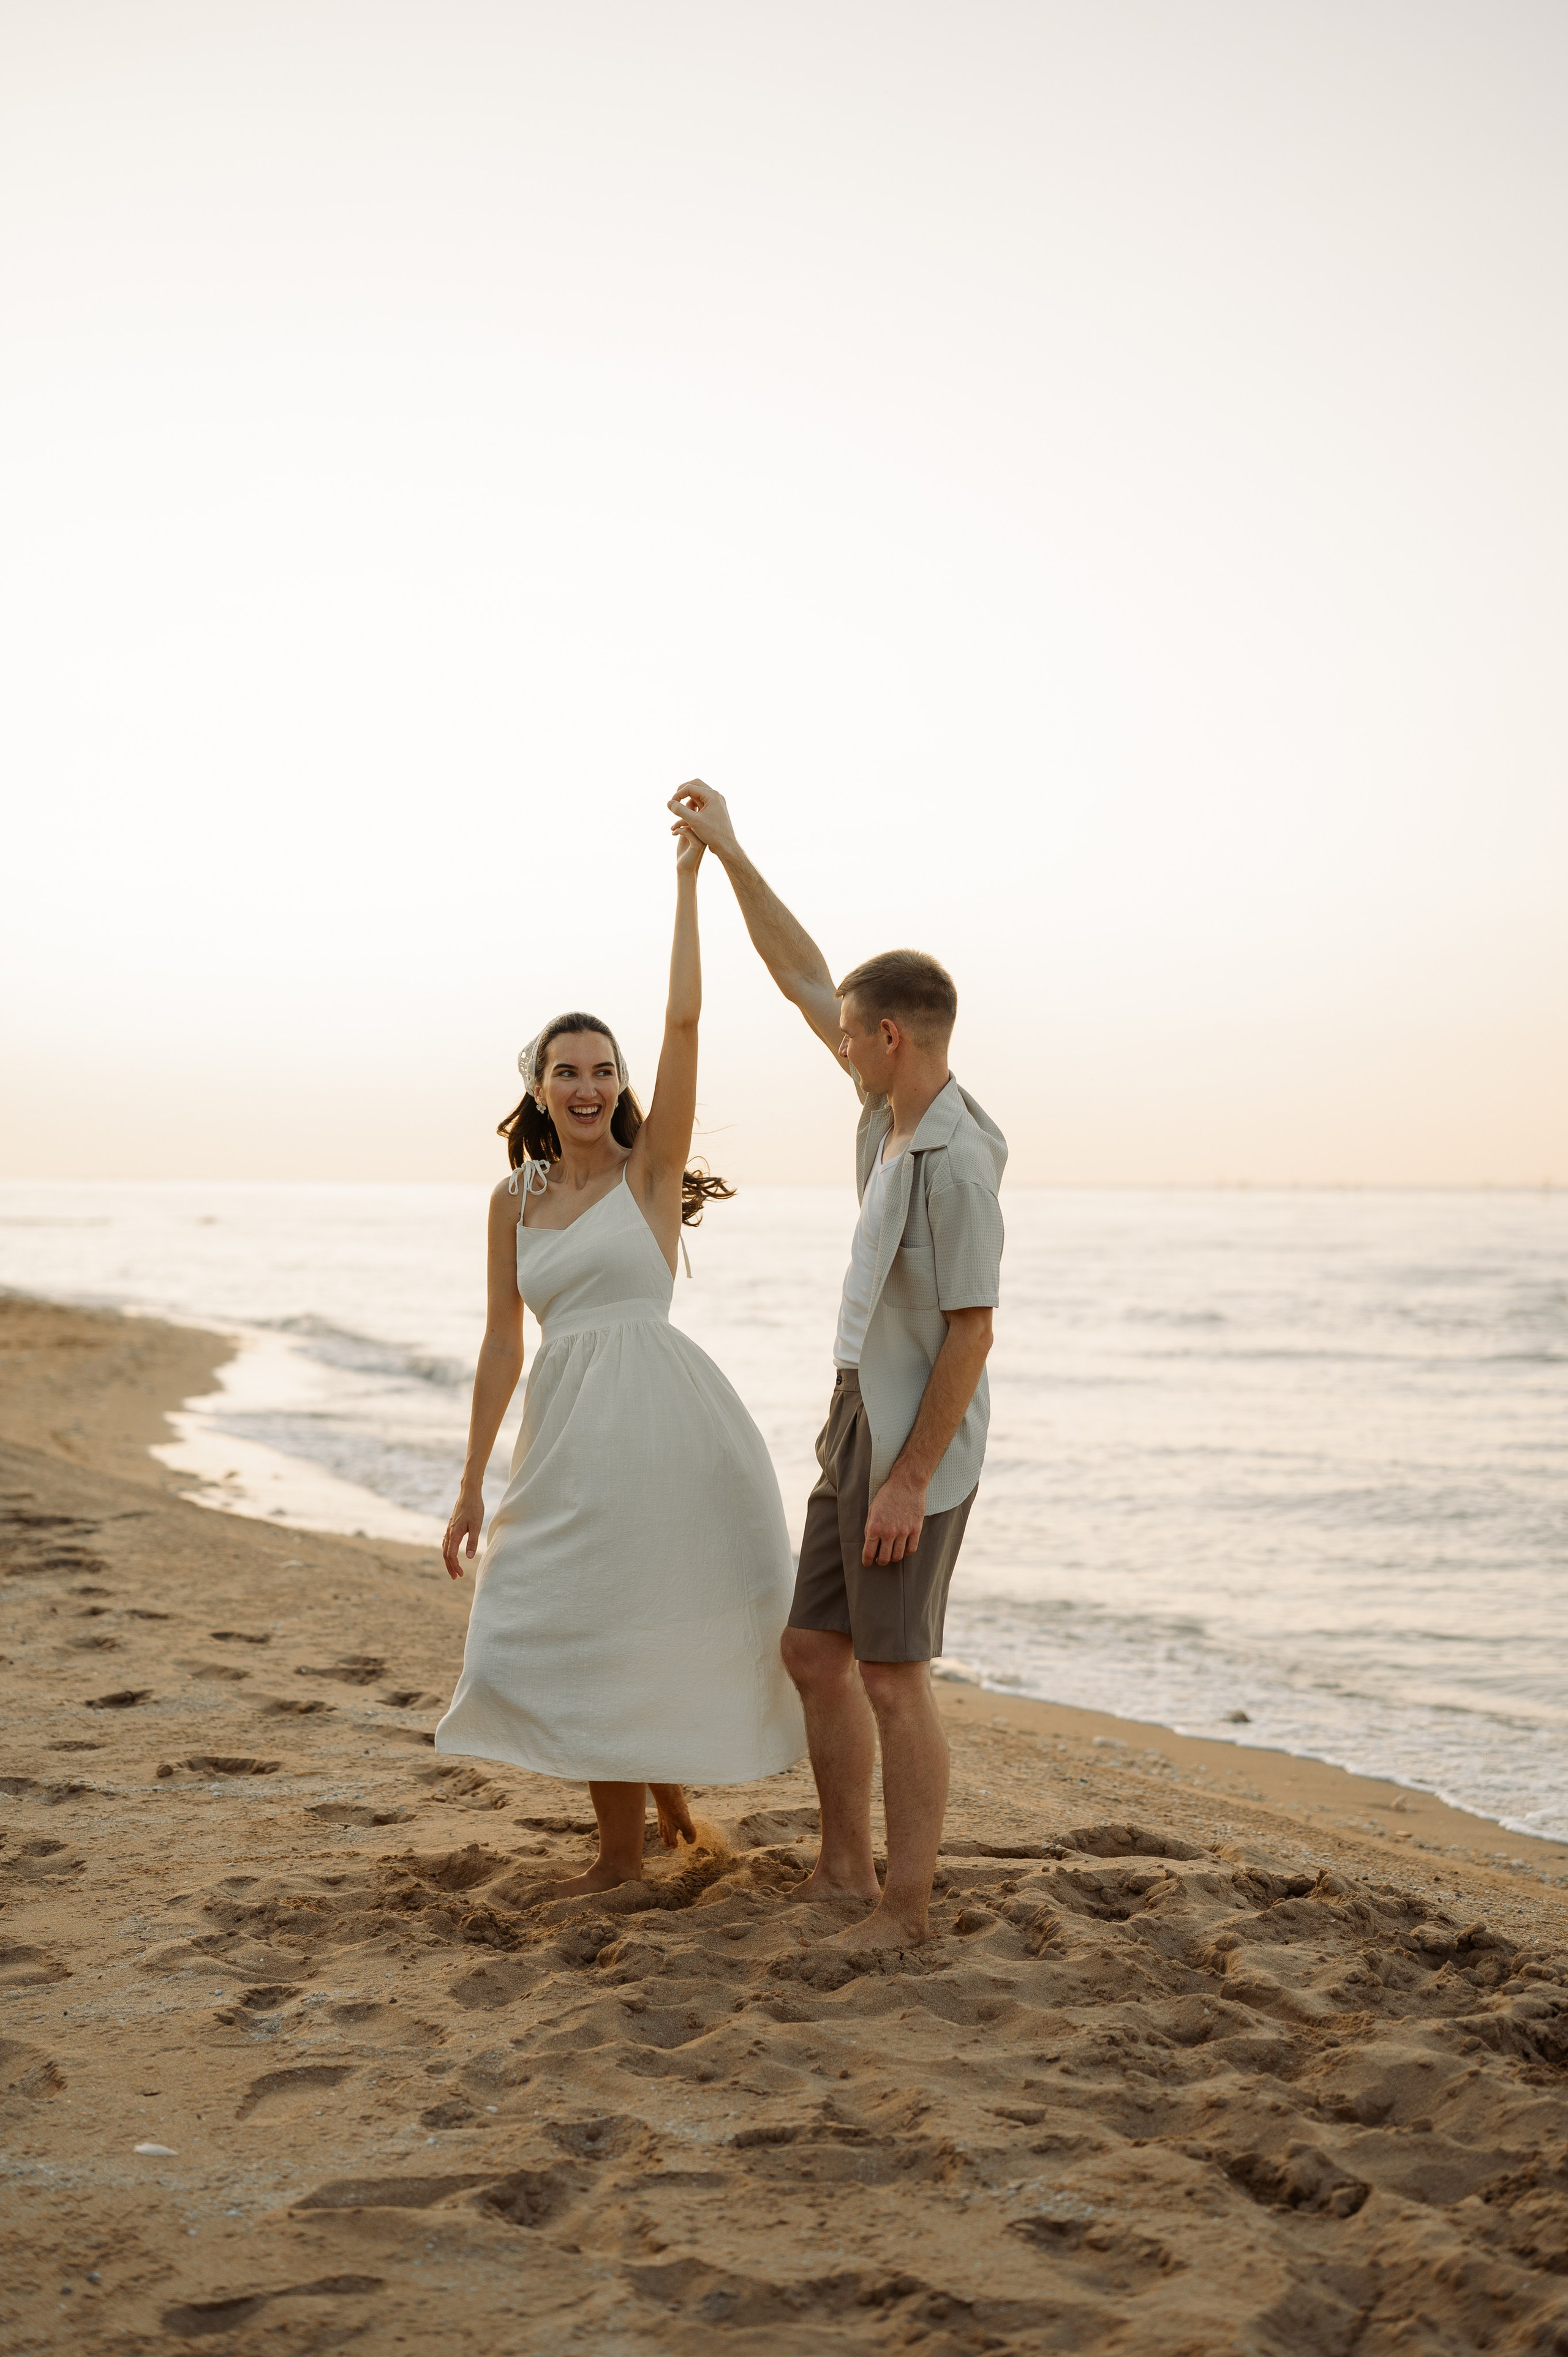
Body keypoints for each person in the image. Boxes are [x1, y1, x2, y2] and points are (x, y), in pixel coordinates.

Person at [434, 820, 804, 1893]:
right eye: (567, 1071)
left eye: (603, 1071)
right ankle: (667, 1810)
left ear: (618, 1082)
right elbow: (503, 1342)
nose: (587, 1086)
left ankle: (621, 1857)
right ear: (539, 1086)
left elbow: (685, 1019)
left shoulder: (653, 1176)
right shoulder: (515, 1200)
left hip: (666, 1425)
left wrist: (695, 875)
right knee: (559, 1610)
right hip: (567, 1431)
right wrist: (468, 1483)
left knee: (642, 1612)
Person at [667, 782, 1006, 1950]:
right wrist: (731, 852)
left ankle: (905, 1912)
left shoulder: (958, 1158)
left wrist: (911, 1479)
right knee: (817, 1648)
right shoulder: (885, 1116)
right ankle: (844, 1875)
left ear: (892, 1038)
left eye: (854, 1033)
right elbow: (806, 975)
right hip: (856, 1413)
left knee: (896, 1673)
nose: (838, 1041)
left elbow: (972, 1332)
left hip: (916, 1439)